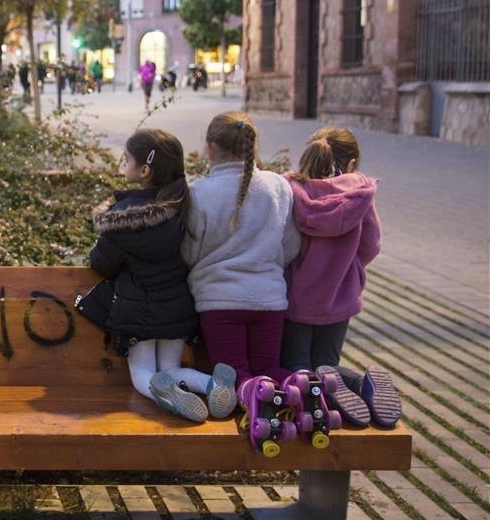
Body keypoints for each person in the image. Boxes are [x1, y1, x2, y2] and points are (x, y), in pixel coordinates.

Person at [82, 130, 237, 422]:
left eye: (126, 158)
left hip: (138, 313)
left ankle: (164, 395)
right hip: (179, 309)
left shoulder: (122, 216)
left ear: (144, 170)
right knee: (170, 368)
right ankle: (211, 384)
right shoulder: (184, 205)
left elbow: (102, 263)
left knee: (143, 374)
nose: (123, 163)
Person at [281, 127, 397, 428]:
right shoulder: (359, 196)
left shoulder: (293, 191)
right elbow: (371, 245)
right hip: (339, 297)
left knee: (297, 368)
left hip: (297, 298)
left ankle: (310, 425)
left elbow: (283, 242)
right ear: (352, 164)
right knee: (327, 366)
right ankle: (361, 386)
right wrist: (349, 268)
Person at [181, 112, 300, 387]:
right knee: (268, 373)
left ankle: (268, 398)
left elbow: (189, 253)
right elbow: (292, 244)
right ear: (253, 146)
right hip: (270, 300)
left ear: (209, 149)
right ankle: (306, 382)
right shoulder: (279, 186)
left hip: (219, 301)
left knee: (233, 381)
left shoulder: (199, 193)